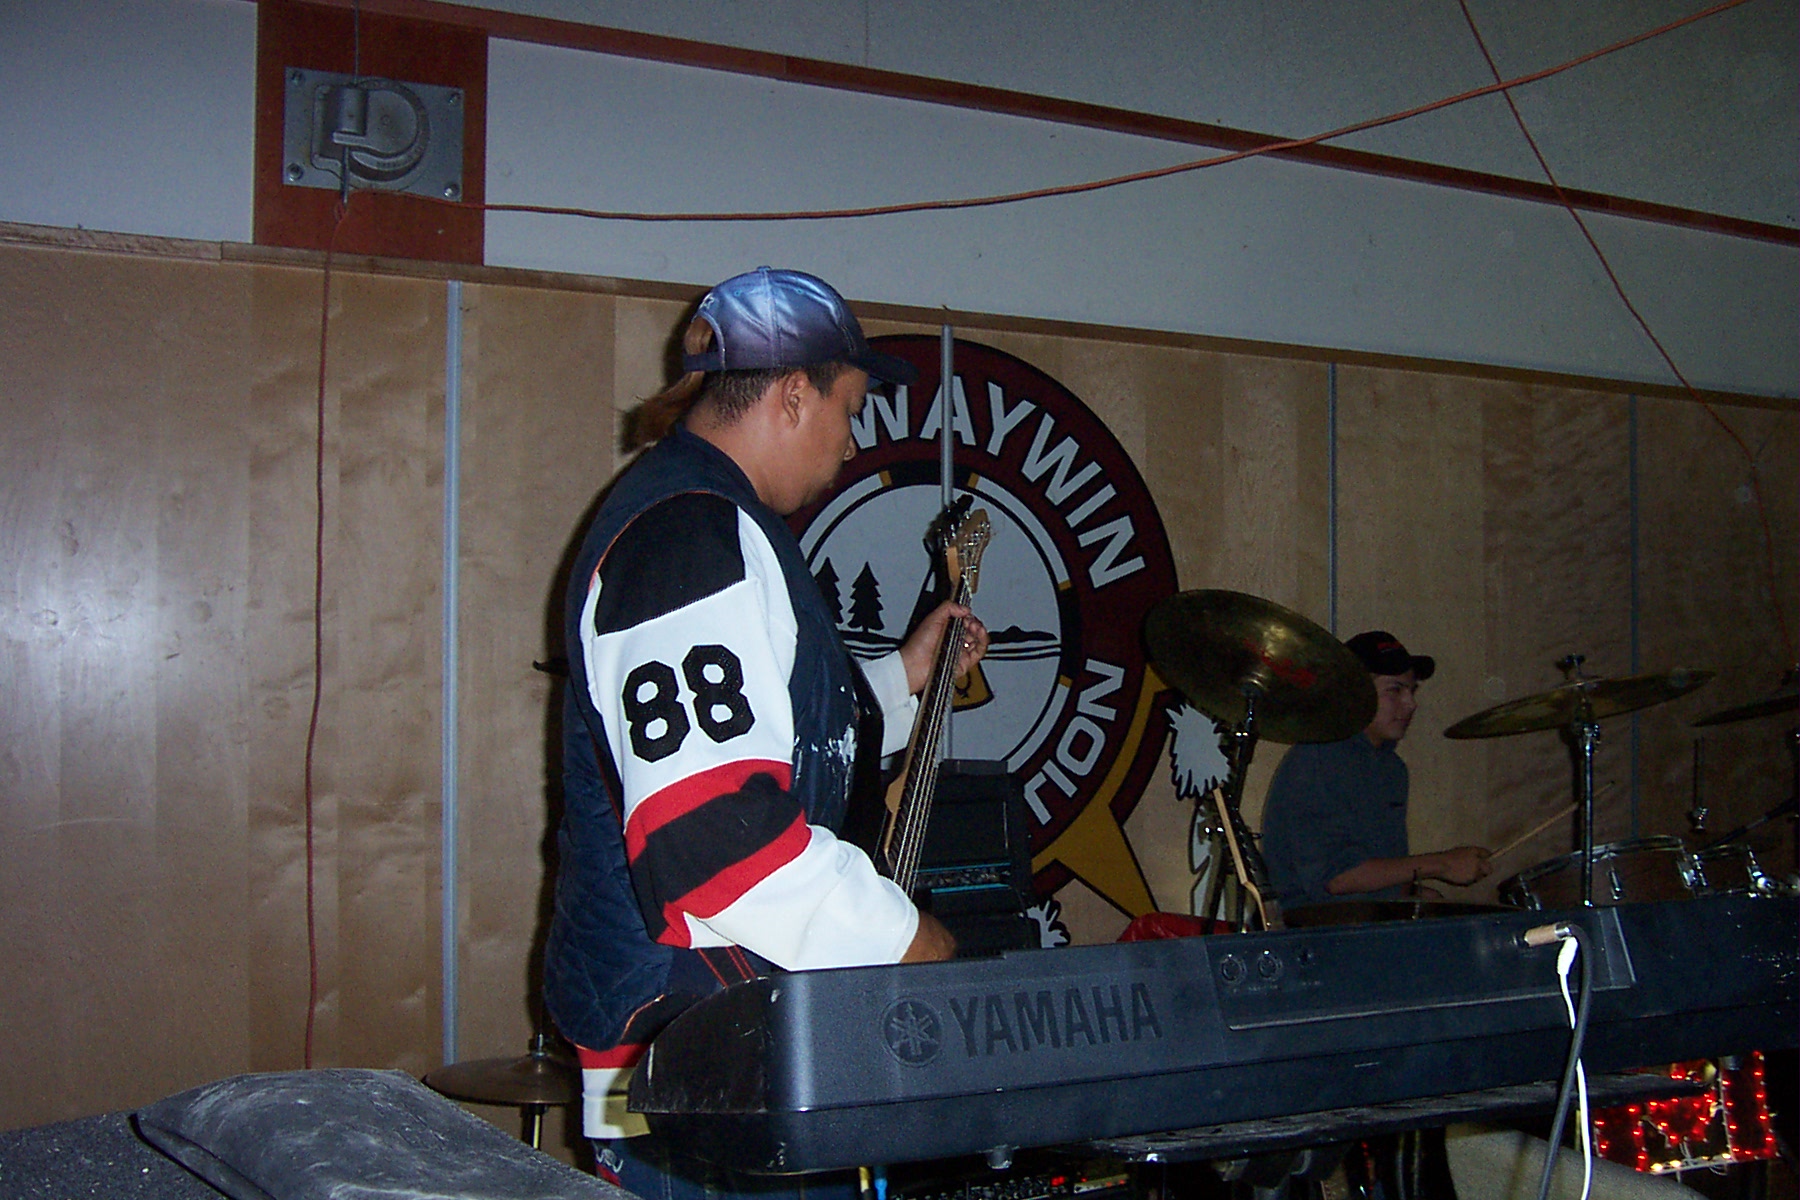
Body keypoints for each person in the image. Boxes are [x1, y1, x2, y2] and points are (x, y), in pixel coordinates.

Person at [542, 267, 988, 1199]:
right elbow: (716, 839)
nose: (850, 442)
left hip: (725, 1048)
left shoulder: (716, 518)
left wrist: (905, 676)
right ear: (792, 395)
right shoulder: (686, 536)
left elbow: (761, 733)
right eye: (849, 409)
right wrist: (912, 943)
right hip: (696, 1066)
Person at [1260, 630, 1491, 907]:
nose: (1411, 704)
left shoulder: (1391, 768)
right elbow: (1338, 879)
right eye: (1395, 690)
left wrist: (1413, 894)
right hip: (1314, 929)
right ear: (1354, 693)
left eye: (1412, 691)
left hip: (1364, 923)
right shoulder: (1320, 758)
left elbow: (1376, 878)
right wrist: (1442, 864)